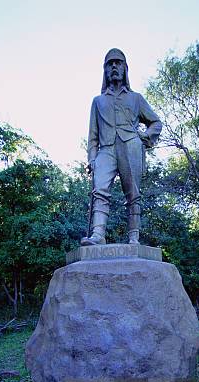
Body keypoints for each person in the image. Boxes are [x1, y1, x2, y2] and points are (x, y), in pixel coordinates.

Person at [81, 48, 162, 246]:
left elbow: (156, 122)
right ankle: (98, 235)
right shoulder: (98, 101)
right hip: (105, 150)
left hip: (131, 146)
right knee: (99, 190)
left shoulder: (136, 98)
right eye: (110, 64)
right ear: (105, 70)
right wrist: (92, 158)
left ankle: (134, 237)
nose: (114, 66)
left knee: (133, 193)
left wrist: (145, 136)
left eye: (118, 63)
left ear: (125, 68)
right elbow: (93, 136)